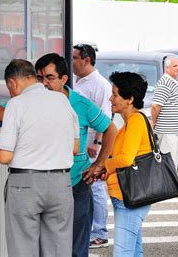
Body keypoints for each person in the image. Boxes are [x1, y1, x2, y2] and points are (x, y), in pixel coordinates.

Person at [0, 59, 80, 257]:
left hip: (25, 184)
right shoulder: (62, 100)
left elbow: (5, 156)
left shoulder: (16, 104)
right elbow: (75, 148)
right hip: (61, 183)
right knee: (58, 250)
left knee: (23, 248)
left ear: (12, 83)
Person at [34, 53, 117, 257]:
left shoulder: (80, 104)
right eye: (39, 78)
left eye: (49, 77)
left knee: (77, 247)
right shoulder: (31, 102)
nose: (43, 83)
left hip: (76, 184)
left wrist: (99, 163)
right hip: (43, 185)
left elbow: (111, 130)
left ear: (63, 79)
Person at [102, 71, 151, 256]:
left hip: (129, 196)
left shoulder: (136, 122)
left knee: (122, 252)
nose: (110, 98)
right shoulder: (130, 122)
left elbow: (125, 159)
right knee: (134, 251)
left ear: (129, 99)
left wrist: (104, 166)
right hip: (127, 195)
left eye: (115, 94)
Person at [73, 43, 112, 248]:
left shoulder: (99, 84)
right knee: (84, 186)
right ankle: (88, 229)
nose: (72, 62)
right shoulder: (76, 81)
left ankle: (99, 232)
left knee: (95, 186)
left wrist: (97, 142)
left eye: (74, 58)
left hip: (90, 145)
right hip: (78, 146)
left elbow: (105, 117)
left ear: (86, 60)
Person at [151, 57, 178, 169]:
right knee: (168, 163)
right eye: (174, 66)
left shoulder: (172, 82)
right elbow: (156, 105)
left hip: (174, 130)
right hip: (167, 131)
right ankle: (168, 186)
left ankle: (172, 186)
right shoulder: (165, 82)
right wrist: (154, 123)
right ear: (167, 68)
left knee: (174, 161)